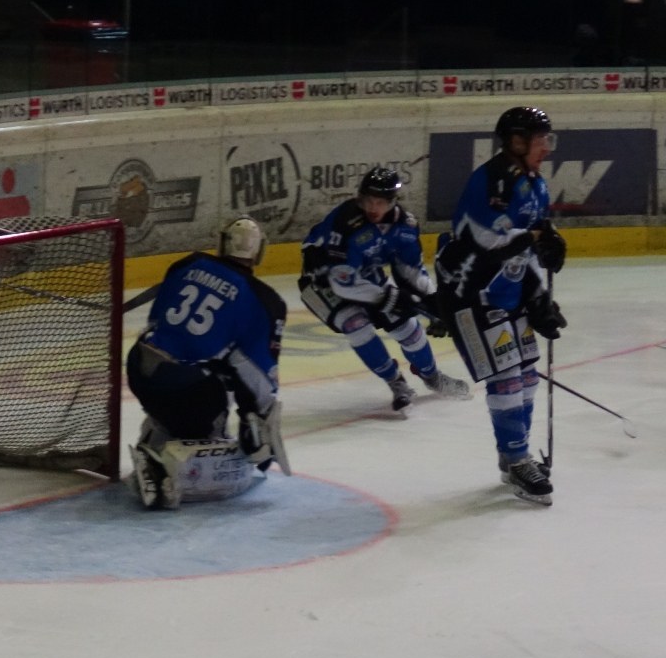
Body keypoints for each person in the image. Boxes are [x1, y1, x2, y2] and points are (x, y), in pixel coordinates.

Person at [433, 106, 567, 505]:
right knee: (506, 374)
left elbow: (528, 246)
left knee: (526, 375)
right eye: (540, 139)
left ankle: (513, 457)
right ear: (517, 141)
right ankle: (518, 458)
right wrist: (535, 238)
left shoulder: (535, 184)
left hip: (508, 292)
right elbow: (486, 242)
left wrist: (539, 295)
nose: (547, 147)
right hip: (469, 293)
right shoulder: (490, 180)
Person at [126, 216, 289, 509]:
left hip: (139, 368)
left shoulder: (187, 264)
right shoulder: (266, 301)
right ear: (260, 251)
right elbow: (257, 374)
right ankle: (164, 473)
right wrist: (256, 422)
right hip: (187, 391)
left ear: (222, 243)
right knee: (217, 403)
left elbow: (157, 322)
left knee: (186, 394)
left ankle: (153, 445)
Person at [299, 167, 472, 416]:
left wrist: (435, 302)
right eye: (369, 200)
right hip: (321, 281)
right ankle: (396, 383)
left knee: (406, 326)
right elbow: (342, 281)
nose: (373, 207)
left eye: (380, 202)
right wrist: (388, 297)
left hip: (364, 274)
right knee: (355, 325)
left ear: (392, 202)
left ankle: (432, 376)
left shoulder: (405, 226)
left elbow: (411, 271)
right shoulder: (346, 223)